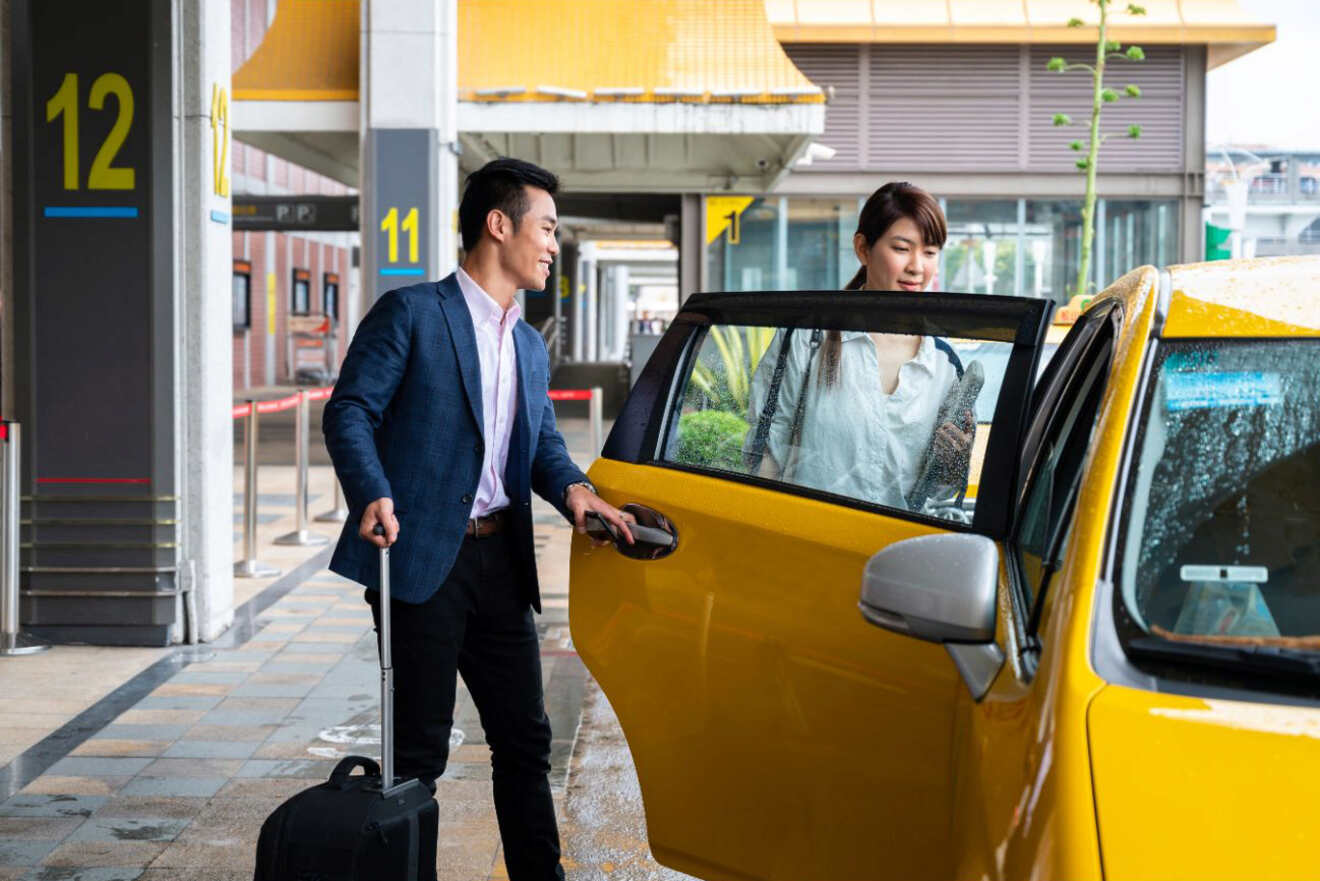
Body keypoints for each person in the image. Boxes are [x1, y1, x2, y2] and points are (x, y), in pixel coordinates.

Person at [323, 157, 634, 881]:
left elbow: (542, 447)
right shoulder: (413, 313)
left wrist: (577, 492)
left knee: (526, 739)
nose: (554, 244)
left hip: (500, 562)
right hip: (421, 556)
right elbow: (351, 409)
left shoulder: (527, 342)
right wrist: (370, 489)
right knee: (419, 754)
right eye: (547, 227)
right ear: (499, 224)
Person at [744, 181, 977, 515]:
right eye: (901, 248)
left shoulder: (945, 365)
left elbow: (938, 498)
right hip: (810, 546)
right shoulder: (807, 340)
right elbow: (763, 456)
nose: (917, 267)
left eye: (929, 252)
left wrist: (953, 461)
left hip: (900, 555)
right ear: (863, 249)